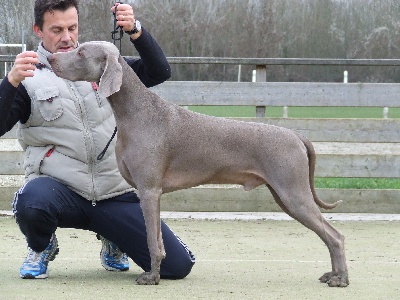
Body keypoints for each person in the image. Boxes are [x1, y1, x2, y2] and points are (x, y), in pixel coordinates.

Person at [0, 0, 195, 280]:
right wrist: (11, 82)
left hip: (114, 193)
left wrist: (136, 31)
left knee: (177, 267)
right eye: (56, 29)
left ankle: (114, 239)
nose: (67, 37)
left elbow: (159, 72)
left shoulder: (100, 63)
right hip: (61, 192)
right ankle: (41, 244)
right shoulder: (29, 77)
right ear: (38, 31)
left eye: (72, 27)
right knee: (32, 202)